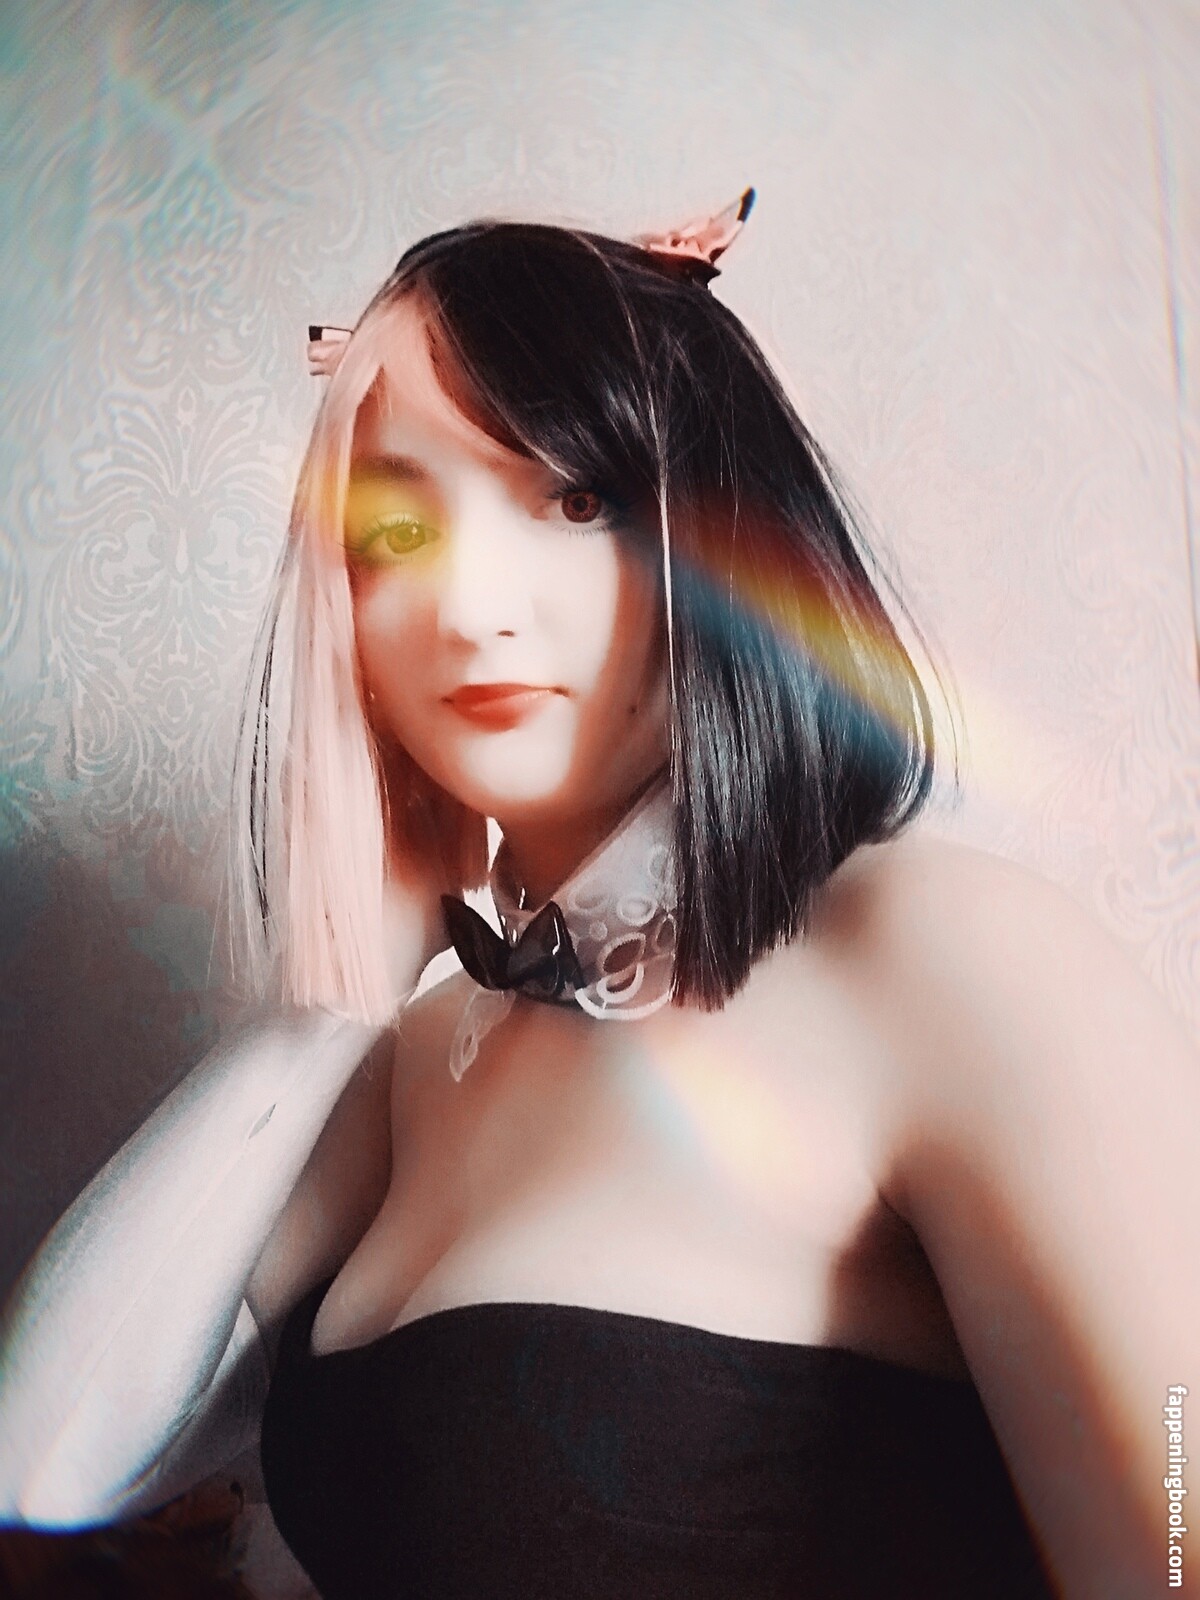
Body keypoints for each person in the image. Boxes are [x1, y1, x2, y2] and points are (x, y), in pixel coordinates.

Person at [0, 191, 1197, 1600]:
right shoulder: (411, 1067)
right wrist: (343, 986)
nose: (470, 607)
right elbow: (43, 1460)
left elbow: (1178, 1528)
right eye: (396, 534)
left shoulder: (942, 953)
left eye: (572, 498)